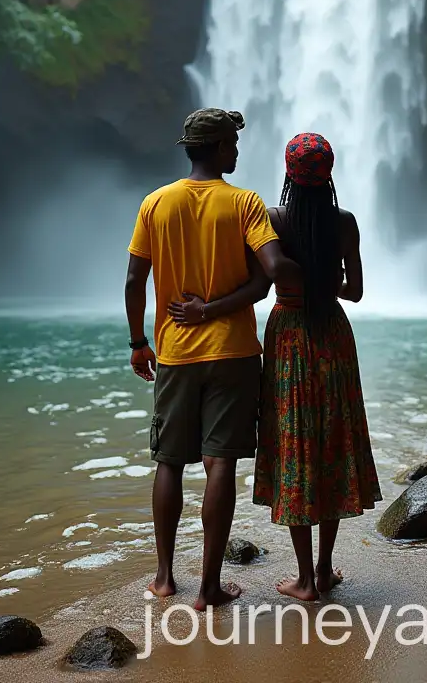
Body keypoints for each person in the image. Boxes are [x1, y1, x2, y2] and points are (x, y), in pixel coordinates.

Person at [169, 131, 381, 602]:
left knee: (295, 447)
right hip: (333, 336)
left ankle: (304, 578)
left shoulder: (272, 218)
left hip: (288, 336)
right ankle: (325, 572)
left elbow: (260, 287)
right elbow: (356, 291)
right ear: (329, 173)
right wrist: (328, 283)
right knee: (331, 444)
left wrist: (206, 310)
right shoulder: (345, 222)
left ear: (288, 173)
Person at [124, 107, 300, 611]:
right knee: (220, 461)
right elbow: (269, 276)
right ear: (220, 148)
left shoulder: (155, 203)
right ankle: (208, 588)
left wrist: (139, 341)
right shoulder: (245, 203)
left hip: (176, 354)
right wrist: (217, 310)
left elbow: (135, 280)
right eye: (233, 143)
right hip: (235, 353)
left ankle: (163, 578)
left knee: (169, 462)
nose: (238, 151)